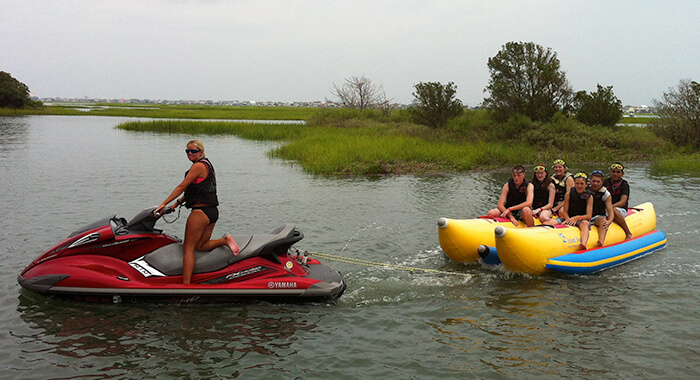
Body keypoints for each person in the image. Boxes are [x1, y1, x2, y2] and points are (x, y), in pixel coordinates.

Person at [154, 140, 240, 284]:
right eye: (187, 151)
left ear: (200, 152)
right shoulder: (207, 165)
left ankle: (186, 285)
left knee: (188, 248)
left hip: (200, 212)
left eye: (193, 151)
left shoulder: (198, 166)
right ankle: (225, 240)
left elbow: (182, 186)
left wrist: (163, 203)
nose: (189, 154)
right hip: (212, 212)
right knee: (201, 245)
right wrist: (175, 204)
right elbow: (194, 191)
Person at [559, 172, 593, 250]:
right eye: (577, 183)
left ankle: (584, 243)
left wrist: (577, 218)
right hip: (569, 218)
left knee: (584, 224)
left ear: (586, 185)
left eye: (582, 183)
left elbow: (589, 216)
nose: (579, 186)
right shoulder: (569, 194)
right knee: (549, 222)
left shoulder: (589, 196)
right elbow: (565, 211)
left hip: (581, 219)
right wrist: (568, 220)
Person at [603, 162, 634, 239]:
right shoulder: (605, 182)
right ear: (610, 172)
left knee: (614, 210)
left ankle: (628, 233)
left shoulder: (624, 185)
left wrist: (610, 207)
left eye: (618, 172)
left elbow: (622, 202)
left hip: (620, 209)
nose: (615, 174)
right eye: (613, 171)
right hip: (606, 209)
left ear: (622, 174)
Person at [589, 170, 615, 246]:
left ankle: (601, 240)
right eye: (593, 181)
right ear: (590, 181)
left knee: (602, 221)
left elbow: (610, 210)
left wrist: (609, 221)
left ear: (602, 182)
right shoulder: (585, 190)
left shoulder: (606, 194)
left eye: (598, 182)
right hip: (585, 215)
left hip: (597, 217)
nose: (595, 183)